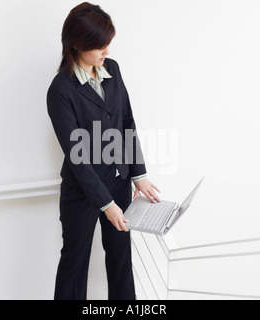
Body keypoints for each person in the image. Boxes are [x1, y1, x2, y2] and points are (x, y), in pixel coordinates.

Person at [47, 2, 161, 300]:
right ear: (77, 44)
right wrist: (107, 204)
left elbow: (126, 122)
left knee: (121, 260)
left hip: (117, 179)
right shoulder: (60, 90)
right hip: (82, 190)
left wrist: (139, 175)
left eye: (107, 43)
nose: (106, 51)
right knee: (75, 262)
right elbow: (77, 155)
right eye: (99, 45)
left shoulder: (112, 69)